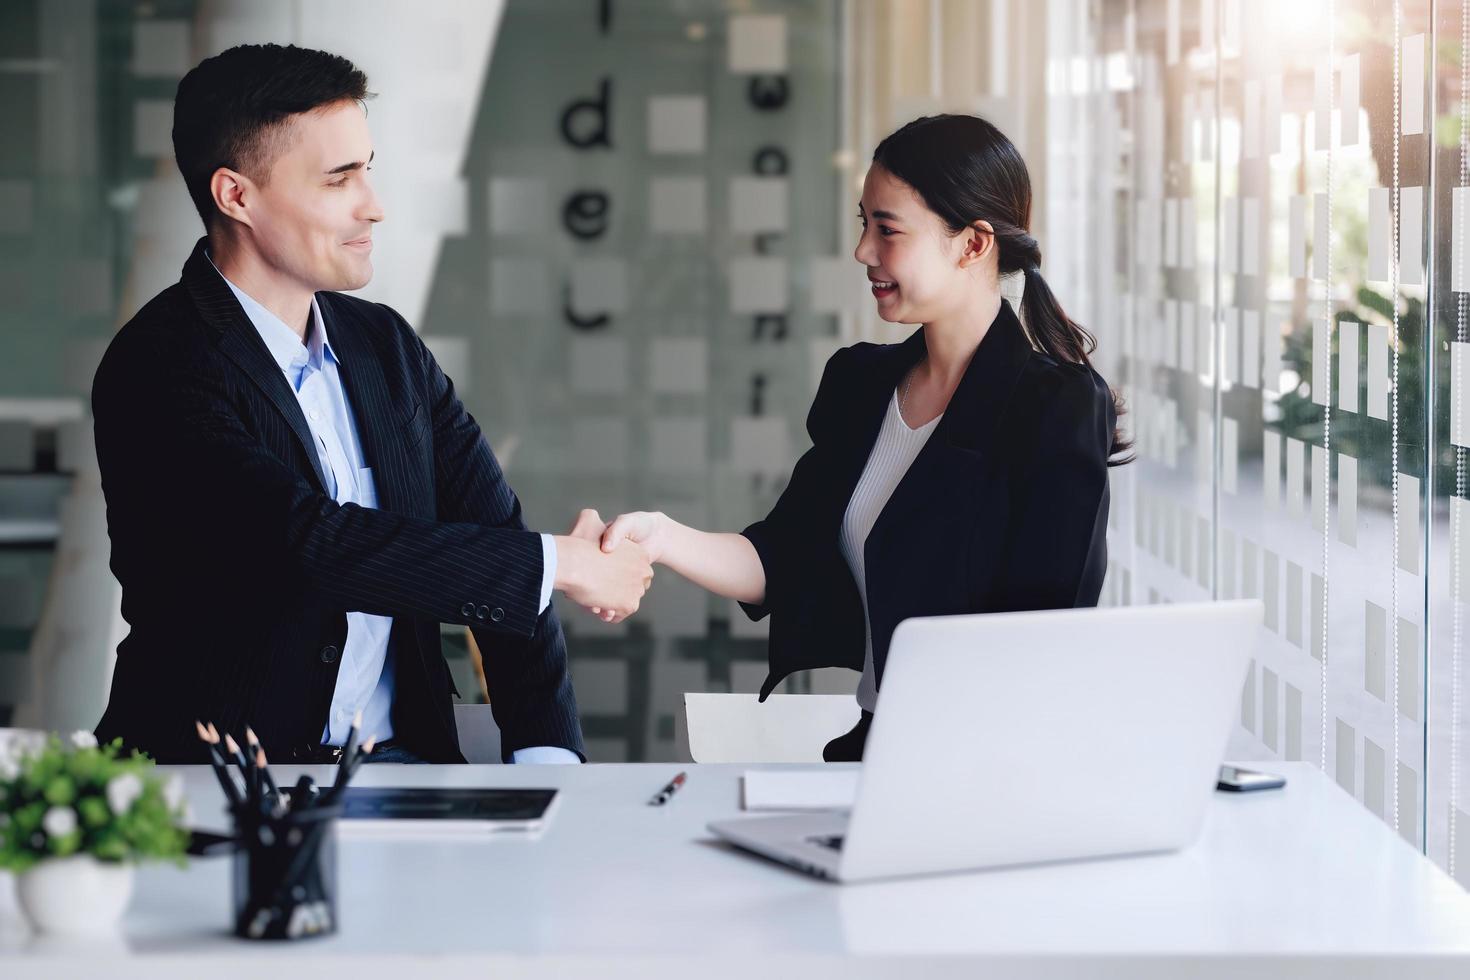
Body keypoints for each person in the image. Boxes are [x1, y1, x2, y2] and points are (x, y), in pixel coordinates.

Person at [92, 44, 652, 764]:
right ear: (236, 195)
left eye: (369, 168)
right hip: (213, 791)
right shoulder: (161, 363)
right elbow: (310, 548)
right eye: (338, 179)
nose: (373, 206)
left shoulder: (384, 346)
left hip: (403, 770)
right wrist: (559, 564)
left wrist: (548, 760)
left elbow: (492, 531)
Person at [589, 114, 1131, 761]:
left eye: (887, 229)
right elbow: (783, 560)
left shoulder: (1057, 407)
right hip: (873, 751)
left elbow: (1047, 640)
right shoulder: (861, 384)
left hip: (988, 766)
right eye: (863, 223)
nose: (863, 252)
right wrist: (661, 537)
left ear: (973, 243)